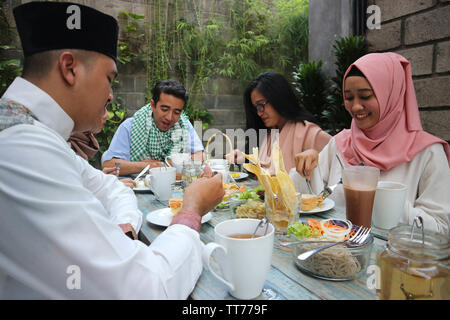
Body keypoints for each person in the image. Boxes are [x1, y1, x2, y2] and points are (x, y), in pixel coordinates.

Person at [0, 2, 224, 299]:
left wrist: (124, 230)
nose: (110, 94)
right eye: (109, 78)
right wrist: (191, 211)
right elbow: (145, 292)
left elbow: (110, 188)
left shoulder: (40, 137)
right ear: (69, 68)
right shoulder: (24, 148)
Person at [294, 52, 450, 235]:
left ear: (390, 95)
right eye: (349, 97)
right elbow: (309, 198)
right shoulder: (341, 143)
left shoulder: (427, 153)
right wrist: (307, 166)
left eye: (365, 96)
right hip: (334, 252)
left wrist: (388, 201)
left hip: (393, 260)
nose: (355, 107)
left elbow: (442, 228)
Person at [228, 72, 331, 175]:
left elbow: (339, 165)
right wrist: (243, 158)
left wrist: (315, 155)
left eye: (261, 105)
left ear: (278, 98)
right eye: (256, 108)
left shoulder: (309, 134)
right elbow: (265, 168)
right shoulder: (269, 132)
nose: (259, 113)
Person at [102, 80, 204, 176]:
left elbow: (201, 156)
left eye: (176, 112)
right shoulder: (130, 127)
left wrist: (167, 164)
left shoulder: (184, 125)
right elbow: (109, 165)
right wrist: (147, 166)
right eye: (164, 109)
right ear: (152, 105)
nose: (169, 117)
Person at [69, 108, 136, 188]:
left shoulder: (82, 141)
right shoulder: (65, 145)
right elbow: (72, 191)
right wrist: (107, 185)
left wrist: (100, 178)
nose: (107, 115)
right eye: (101, 108)